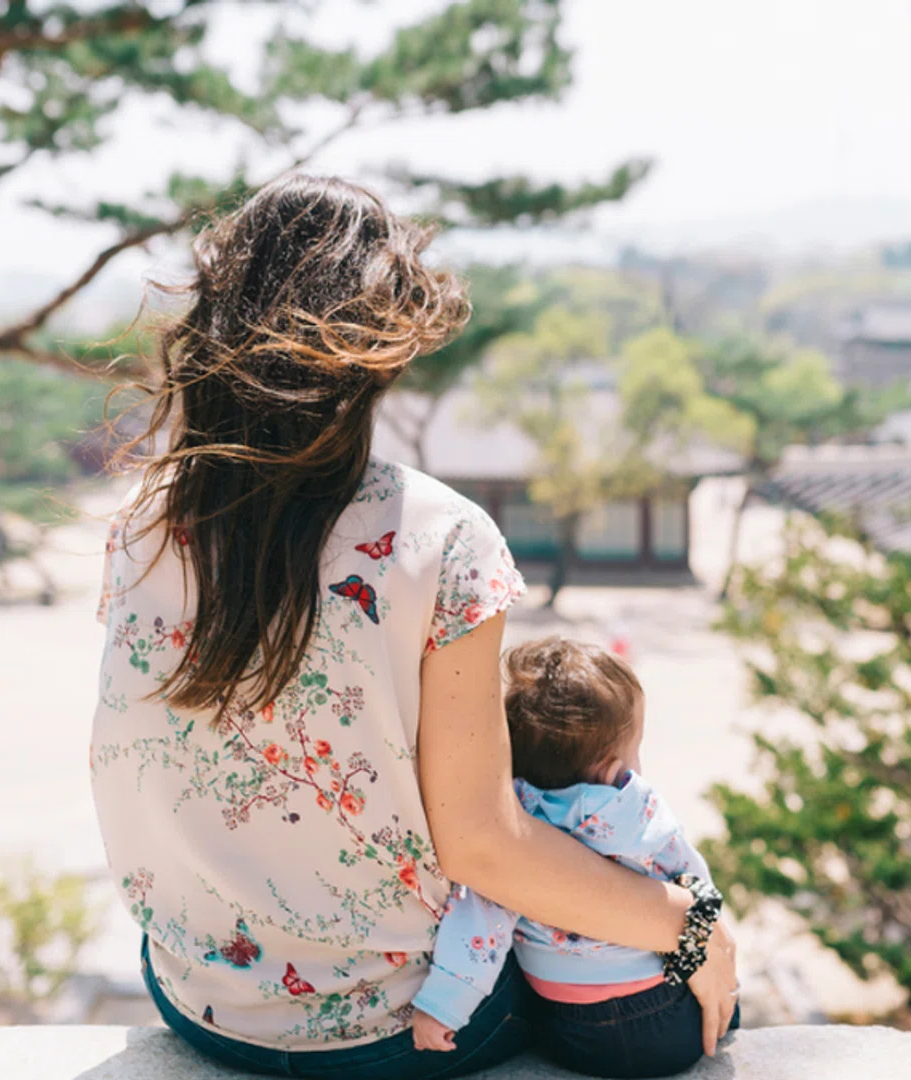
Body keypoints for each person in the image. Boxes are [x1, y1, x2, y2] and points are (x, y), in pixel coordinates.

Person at [89, 175, 738, 1080]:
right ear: (379, 349)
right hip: (394, 1030)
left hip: (205, 999)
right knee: (660, 994)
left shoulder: (145, 522)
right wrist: (693, 923)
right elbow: (482, 845)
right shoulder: (441, 537)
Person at [411, 638, 736, 1079]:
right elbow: (693, 884)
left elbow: (476, 925)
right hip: (661, 1021)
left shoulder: (508, 825)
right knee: (727, 1009)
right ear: (609, 768)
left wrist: (441, 1008)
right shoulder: (633, 809)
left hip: (568, 1030)